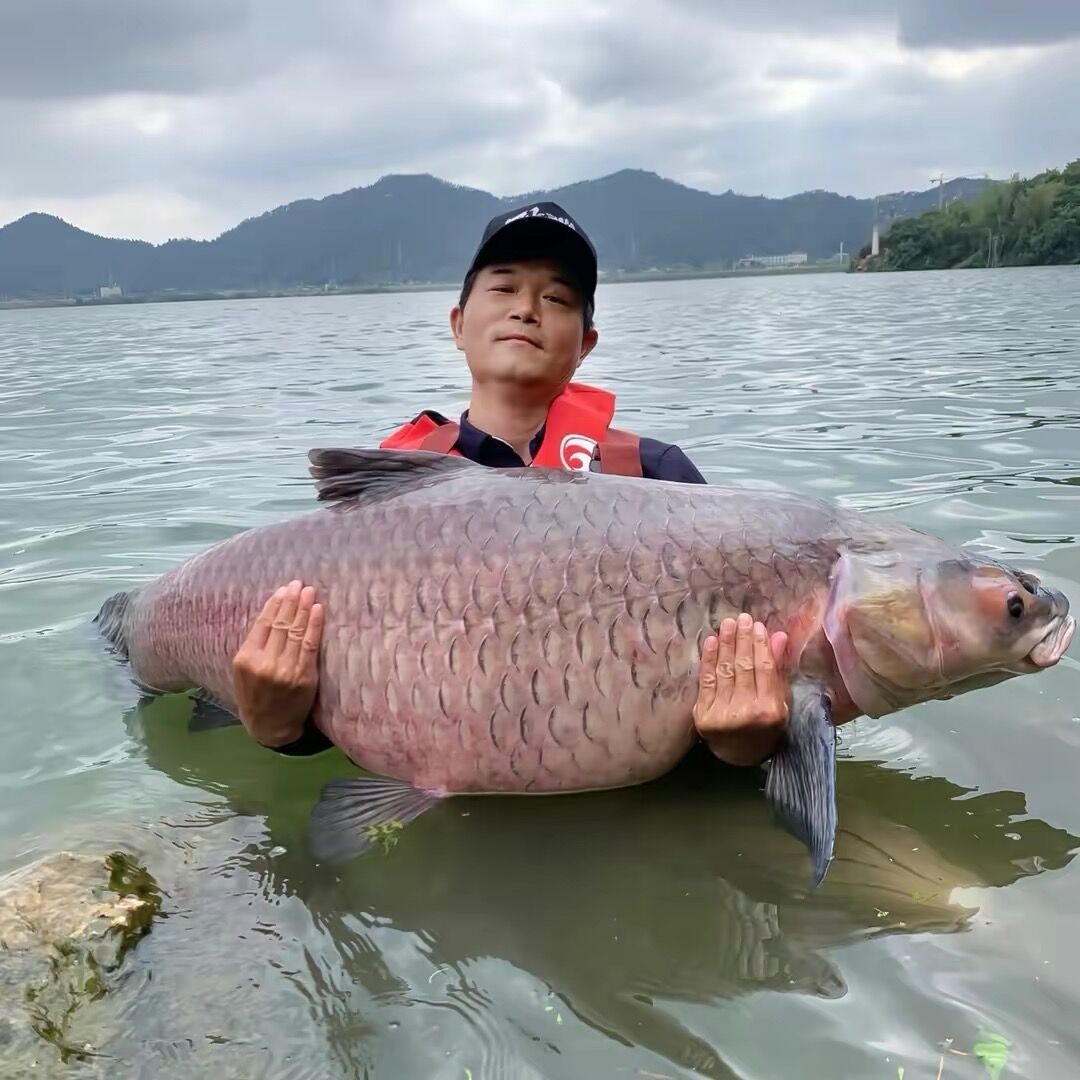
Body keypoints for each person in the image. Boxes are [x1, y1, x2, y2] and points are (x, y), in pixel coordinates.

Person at [230, 203, 790, 768]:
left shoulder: (658, 477)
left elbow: (745, 701)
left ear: (586, 344)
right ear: (457, 324)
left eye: (556, 298)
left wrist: (747, 748)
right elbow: (334, 705)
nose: (526, 309)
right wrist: (281, 730)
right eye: (503, 289)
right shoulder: (379, 506)